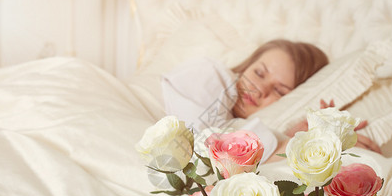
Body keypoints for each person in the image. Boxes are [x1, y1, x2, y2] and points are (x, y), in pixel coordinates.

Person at [162, 39, 380, 163]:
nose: (259, 90)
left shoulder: (249, 128)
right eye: (258, 72)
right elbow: (200, 157)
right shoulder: (211, 76)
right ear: (247, 65)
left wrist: (301, 140)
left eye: (279, 90)